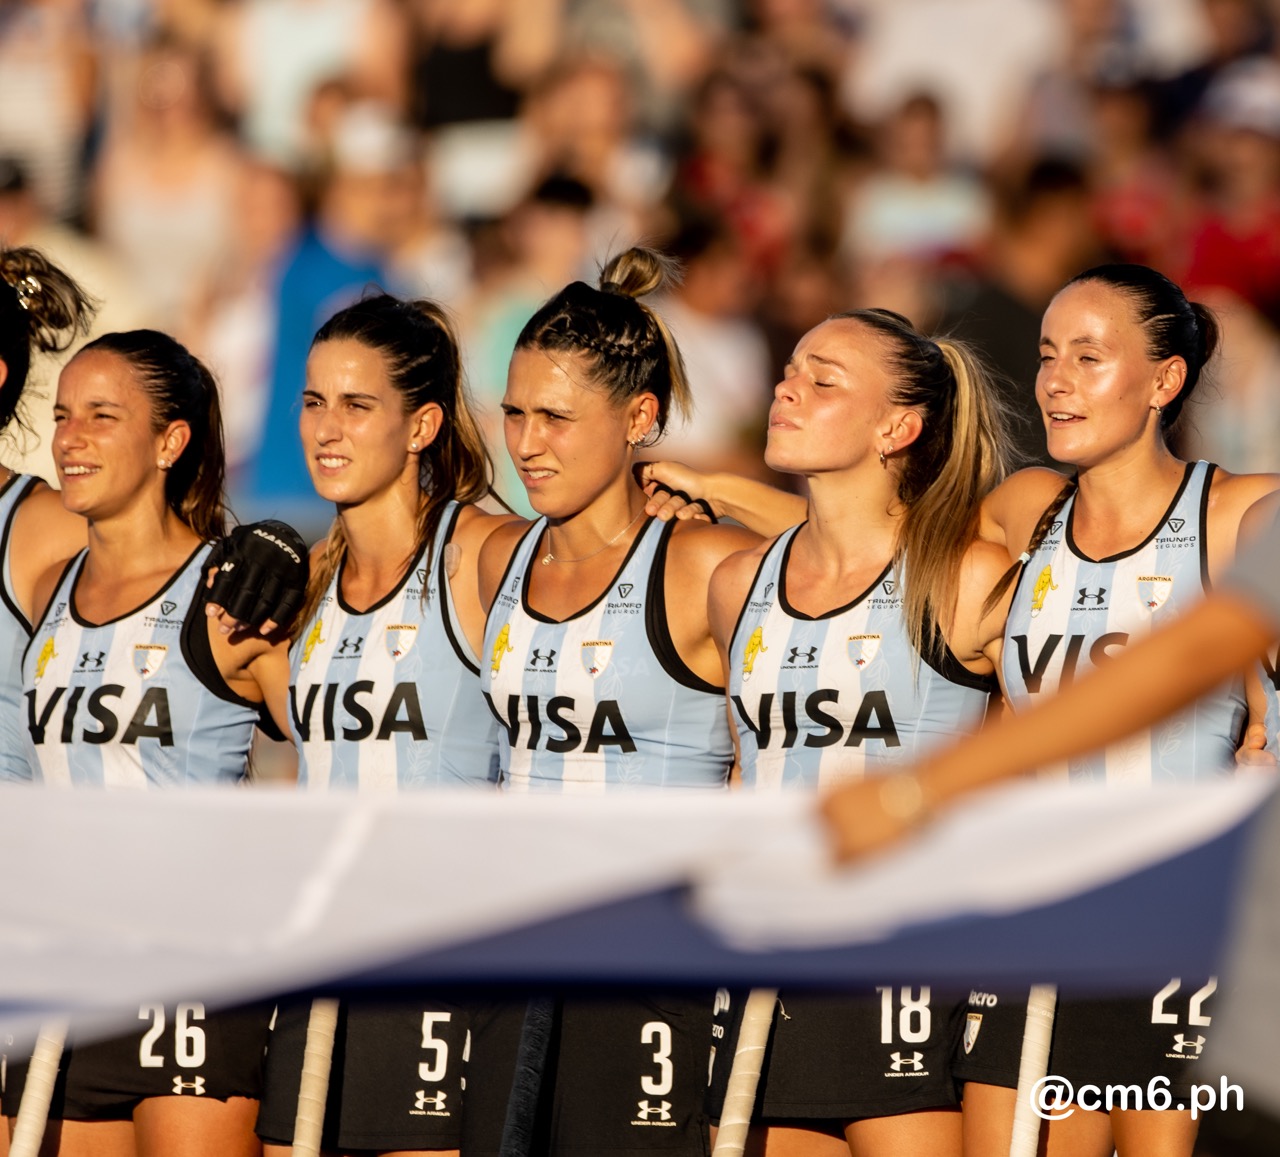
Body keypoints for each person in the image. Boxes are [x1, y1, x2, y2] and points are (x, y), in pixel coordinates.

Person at [823, 264, 1280, 1157]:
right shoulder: (1026, 510)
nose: (1056, 380)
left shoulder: (1236, 514)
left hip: (1184, 933)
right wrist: (710, 503)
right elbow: (872, 555)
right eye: (1045, 356)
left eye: (1088, 356)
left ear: (1163, 382)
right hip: (1040, 927)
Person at [702, 308, 1012, 1156]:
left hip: (903, 960)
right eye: (790, 369)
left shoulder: (964, 576)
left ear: (898, 426)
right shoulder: (736, 582)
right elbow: (743, 771)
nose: (786, 388)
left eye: (823, 379)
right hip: (769, 961)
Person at [473, 247, 759, 1154]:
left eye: (556, 417)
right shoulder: (496, 557)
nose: (525, 442)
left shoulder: (703, 562)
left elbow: (878, 566)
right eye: (516, 412)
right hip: (513, 953)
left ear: (640, 417)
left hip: (652, 962)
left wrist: (721, 489)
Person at [10, 329, 293, 1157]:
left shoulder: (227, 596)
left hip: (192, 967)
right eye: (64, 416)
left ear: (170, 441)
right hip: (62, 970)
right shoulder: (44, 586)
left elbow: (334, 755)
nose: (71, 438)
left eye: (103, 415)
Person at [253, 292, 516, 1156]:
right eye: (313, 400)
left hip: (440, 957)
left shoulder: (483, 550)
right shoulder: (307, 576)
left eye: (358, 405)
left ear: (421, 424)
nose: (326, 428)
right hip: (324, 961)